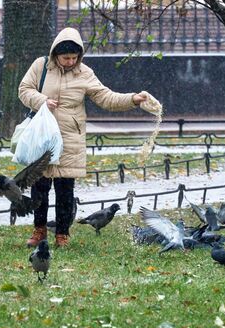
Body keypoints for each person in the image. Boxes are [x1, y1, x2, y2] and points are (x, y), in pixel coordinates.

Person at [18, 27, 147, 247]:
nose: (69, 62)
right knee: (39, 187)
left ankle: (62, 234)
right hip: (42, 138)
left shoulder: (85, 73)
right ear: (55, 54)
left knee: (65, 190)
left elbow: (106, 97)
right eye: (65, 57)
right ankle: (39, 230)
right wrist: (42, 101)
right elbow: (24, 89)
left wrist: (132, 99)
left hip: (70, 140)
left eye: (73, 58)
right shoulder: (40, 66)